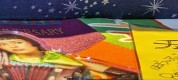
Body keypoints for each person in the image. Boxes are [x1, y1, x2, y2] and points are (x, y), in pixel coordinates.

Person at [0, 32, 138, 79]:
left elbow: (85, 65)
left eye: (18, 42)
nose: (13, 46)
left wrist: (122, 74)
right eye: (4, 44)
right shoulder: (5, 61)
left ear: (33, 42)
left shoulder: (55, 56)